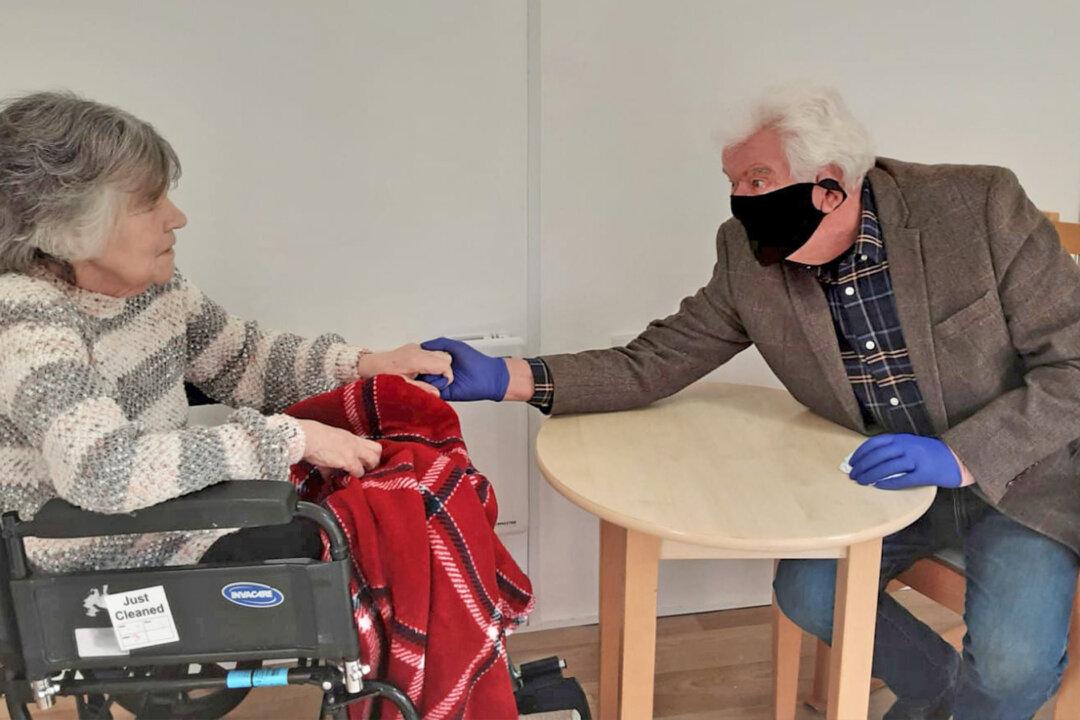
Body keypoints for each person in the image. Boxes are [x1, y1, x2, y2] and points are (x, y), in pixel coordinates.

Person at [421, 86, 1080, 719]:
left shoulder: (975, 207)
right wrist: (507, 376)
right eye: (733, 182)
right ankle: (939, 690)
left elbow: (1073, 366)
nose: (740, 202)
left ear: (829, 183)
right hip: (883, 478)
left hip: (1024, 477)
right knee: (807, 594)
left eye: (758, 180)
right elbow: (654, 361)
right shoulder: (747, 256)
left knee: (1012, 664)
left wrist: (960, 456)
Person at [0, 91, 452, 574]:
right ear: (67, 228)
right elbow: (104, 471)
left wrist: (365, 365)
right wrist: (288, 439)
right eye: (149, 203)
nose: (177, 218)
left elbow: (244, 360)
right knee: (365, 534)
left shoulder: (153, 288)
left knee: (398, 495)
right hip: (92, 570)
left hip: (180, 524)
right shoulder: (25, 316)